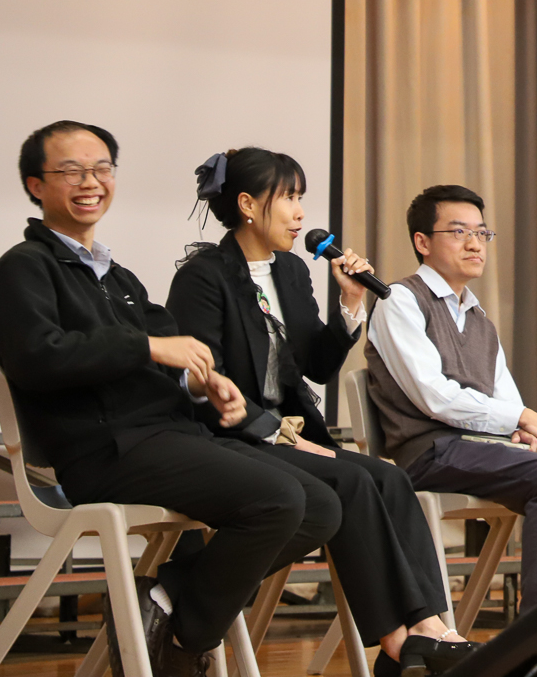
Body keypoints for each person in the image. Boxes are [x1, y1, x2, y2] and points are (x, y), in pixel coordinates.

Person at [0, 122, 338, 677]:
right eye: (71, 171)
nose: (90, 182)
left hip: (168, 437)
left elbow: (172, 353)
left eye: (101, 168)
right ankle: (183, 646)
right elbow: (37, 357)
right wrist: (147, 346)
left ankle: (165, 604)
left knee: (321, 506)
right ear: (36, 185)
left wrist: (202, 382)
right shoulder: (22, 269)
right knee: (278, 500)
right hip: (105, 451)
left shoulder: (117, 276)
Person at [166, 149, 475, 677]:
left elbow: (316, 366)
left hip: (289, 434)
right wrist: (280, 436)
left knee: (388, 479)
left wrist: (350, 304)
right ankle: (398, 644)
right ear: (247, 205)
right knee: (350, 482)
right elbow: (207, 385)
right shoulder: (204, 276)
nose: (300, 213)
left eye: (300, 198)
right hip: (232, 438)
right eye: (288, 197)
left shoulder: (290, 270)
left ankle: (429, 625)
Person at [367, 185, 537, 614]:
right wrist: (524, 418)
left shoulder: (479, 318)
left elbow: (504, 396)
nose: (475, 243)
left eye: (482, 232)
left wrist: (524, 431)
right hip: (432, 451)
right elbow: (435, 397)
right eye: (459, 232)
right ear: (422, 242)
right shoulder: (399, 300)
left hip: (487, 448)